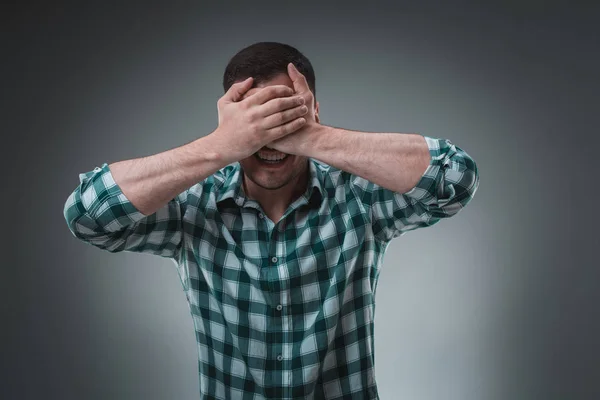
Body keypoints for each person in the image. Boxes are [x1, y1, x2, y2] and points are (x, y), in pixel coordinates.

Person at [63, 41, 480, 399]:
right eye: (255, 119)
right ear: (229, 122)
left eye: (285, 112)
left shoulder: (357, 196)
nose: (270, 136)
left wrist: (313, 136)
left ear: (314, 109)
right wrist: (219, 146)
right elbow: (87, 216)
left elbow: (454, 179)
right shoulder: (194, 204)